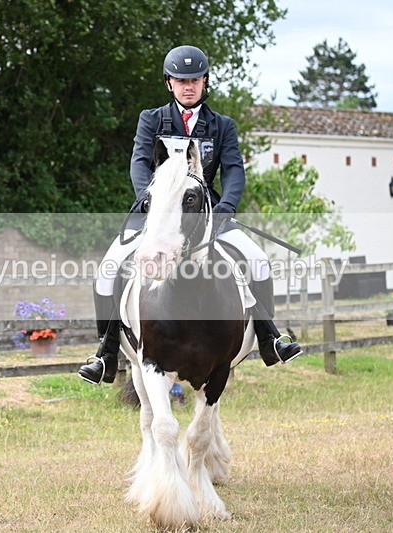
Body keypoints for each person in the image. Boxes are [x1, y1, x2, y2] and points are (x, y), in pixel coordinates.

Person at [78, 45, 302, 385]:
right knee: (109, 268)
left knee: (258, 260)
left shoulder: (222, 125)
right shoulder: (152, 119)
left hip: (206, 215)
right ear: (169, 83)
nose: (188, 86)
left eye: (195, 80)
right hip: (156, 215)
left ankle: (270, 338)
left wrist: (226, 207)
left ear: (205, 82)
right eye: (181, 80)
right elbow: (140, 162)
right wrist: (147, 201)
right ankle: (106, 352)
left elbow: (234, 171)